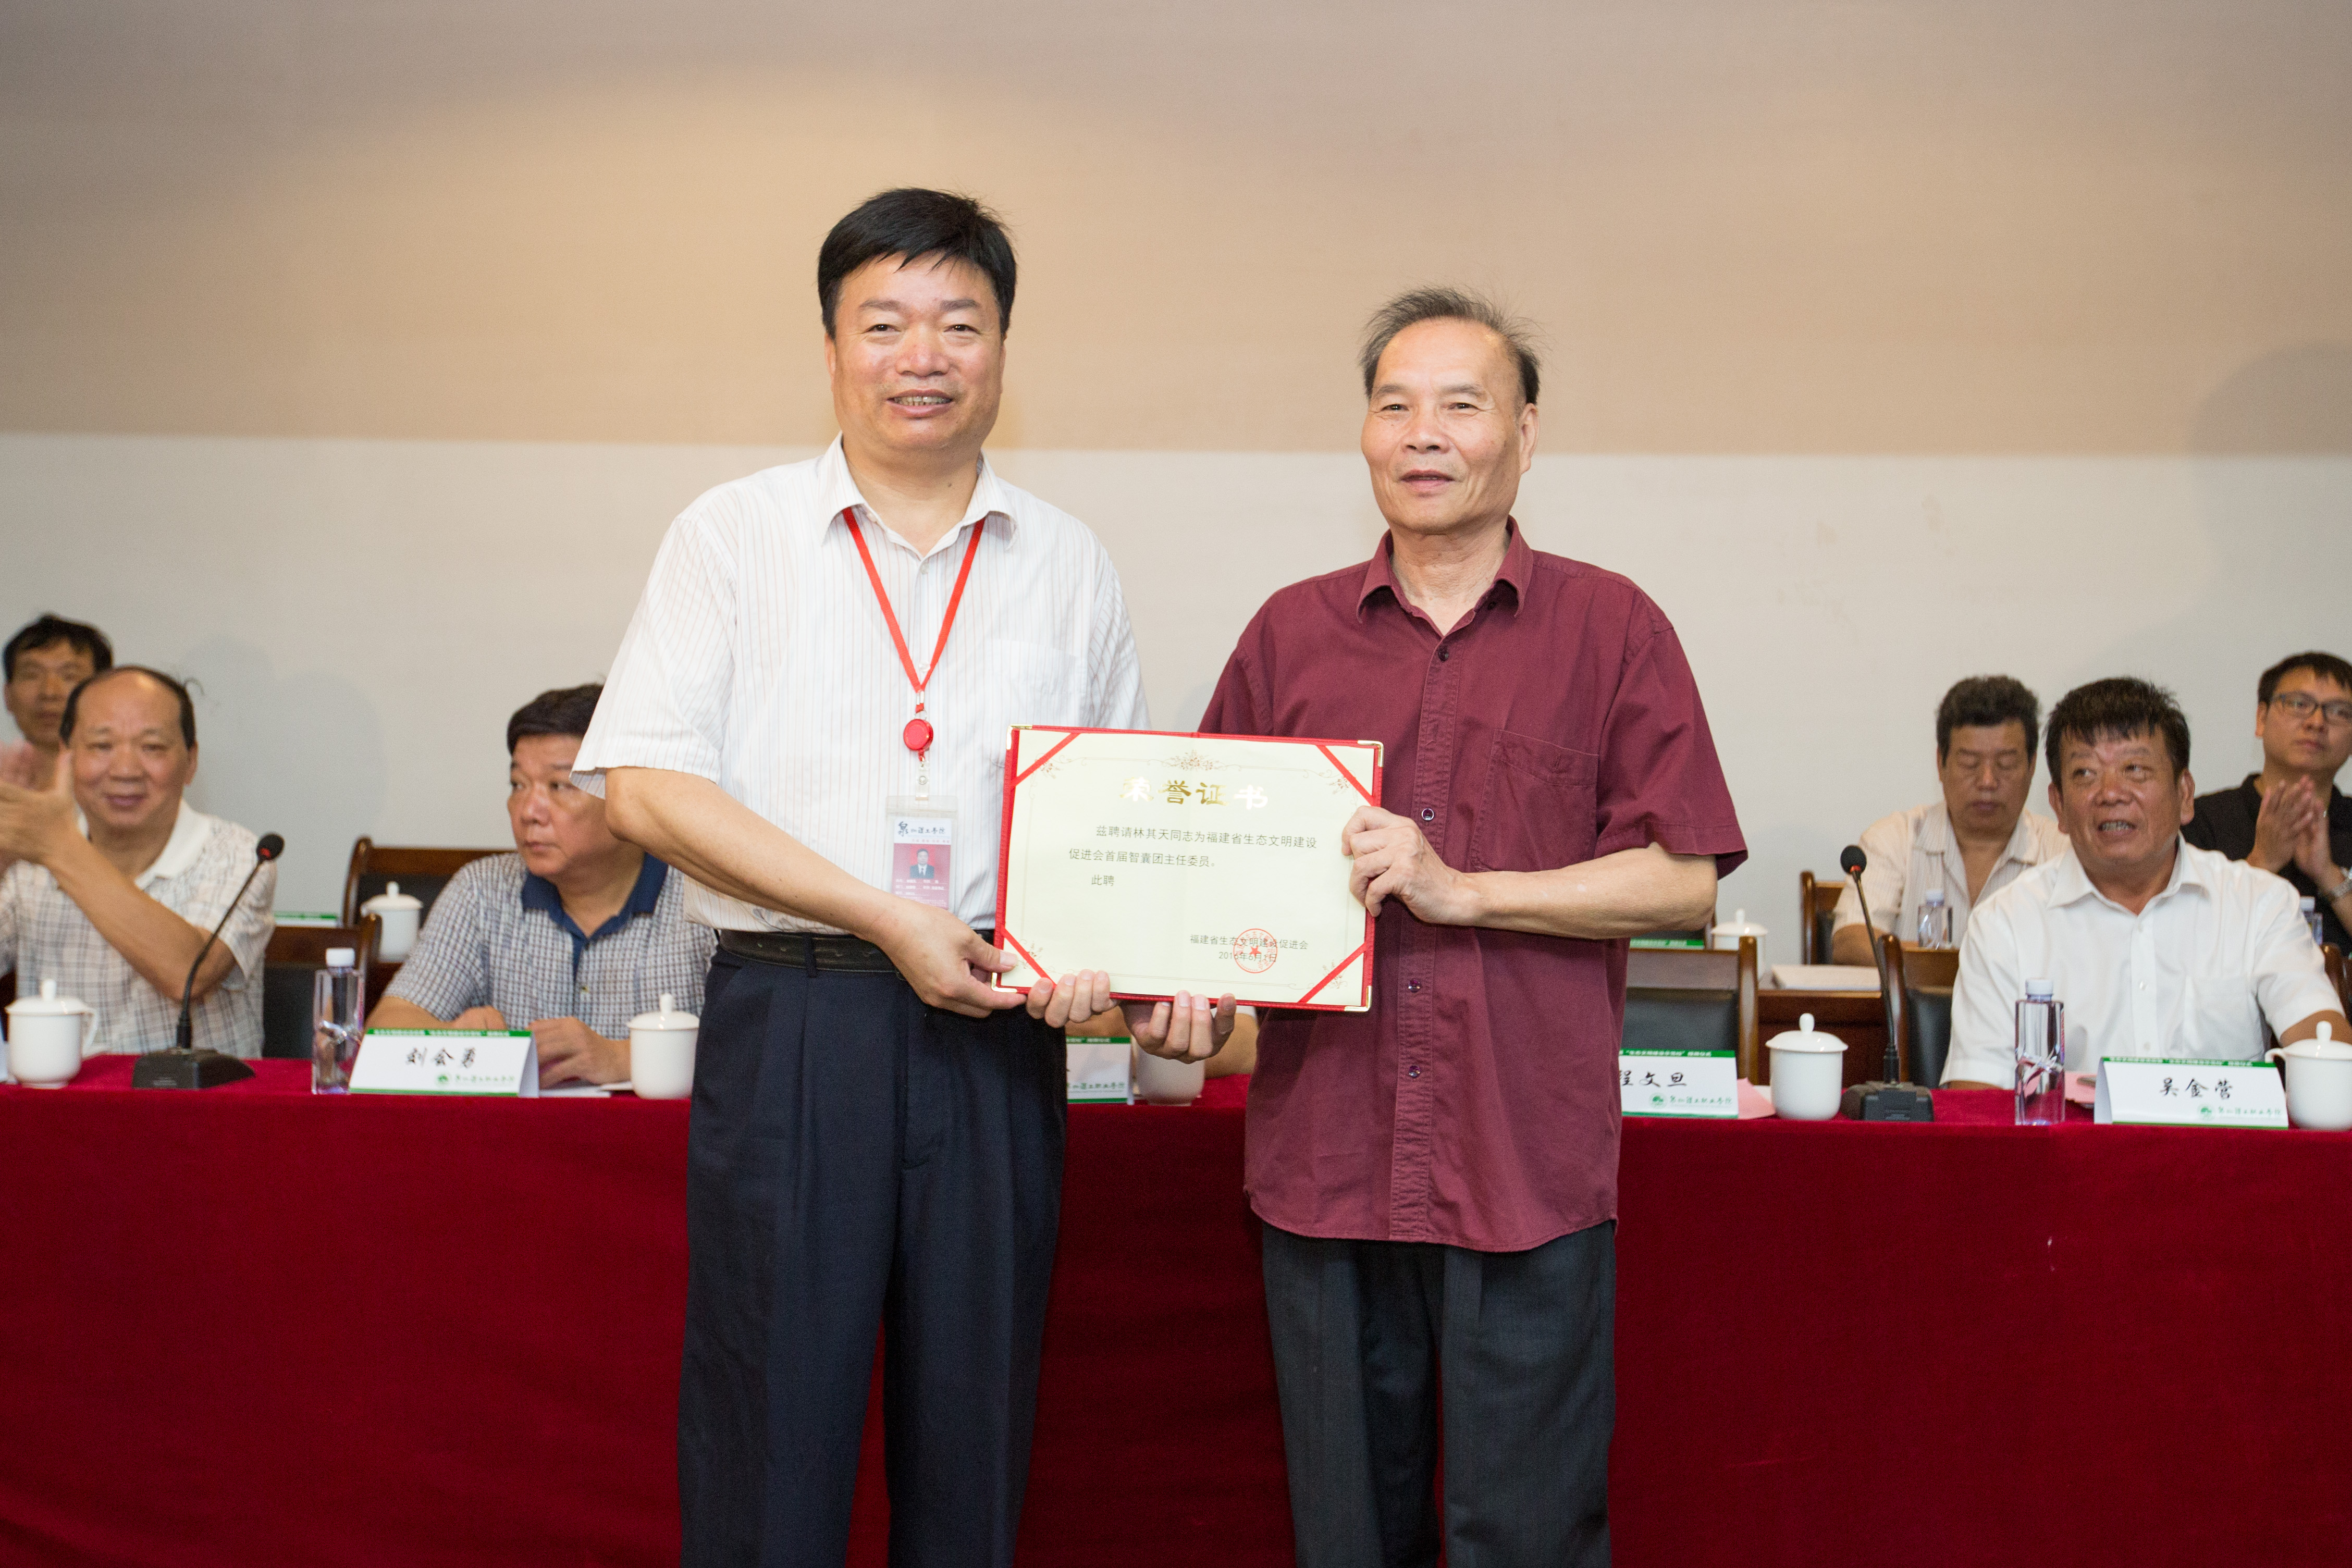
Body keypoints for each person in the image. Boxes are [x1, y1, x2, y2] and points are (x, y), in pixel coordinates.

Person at [570, 189, 1152, 1567]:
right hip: (797, 1013)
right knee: (770, 1417)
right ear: (831, 346)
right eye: (884, 324)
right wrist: (888, 916)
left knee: (976, 1424)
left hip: (997, 1030)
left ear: (1003, 347)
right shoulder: (734, 533)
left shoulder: (1069, 562)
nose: (922, 357)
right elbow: (643, 786)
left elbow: (1112, 828)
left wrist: (1123, 968)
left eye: (961, 324)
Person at [1174, 287, 1745, 1568]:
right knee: (1343, 1537)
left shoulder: (1613, 629)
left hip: (1523, 1163)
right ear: (1364, 434)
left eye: (1460, 406)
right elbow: (1209, 879)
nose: (1421, 434)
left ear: (1524, 435)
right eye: (1394, 405)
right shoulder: (1288, 634)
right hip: (1326, 1163)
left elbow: (1681, 879)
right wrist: (1179, 997)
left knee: (1528, 1535)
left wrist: (1468, 888)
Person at [1944, 678, 2349, 1088]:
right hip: (2071, 1135)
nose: (2110, 793)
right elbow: (1975, 1093)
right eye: (2085, 773)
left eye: (2134, 769)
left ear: (2184, 794)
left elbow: (2322, 1039)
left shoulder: (2258, 902)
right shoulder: (2004, 923)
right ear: (2059, 806)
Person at [366, 685, 716, 1087]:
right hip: (514, 1130)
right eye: (518, 784)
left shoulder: (705, 897)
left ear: (627, 793)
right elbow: (385, 1029)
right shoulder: (482, 891)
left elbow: (754, 1053)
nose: (528, 811)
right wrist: (452, 1037)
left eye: (558, 785)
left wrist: (625, 1058)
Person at [0, 666, 273, 1055]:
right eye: (101, 746)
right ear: (67, 756)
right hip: (57, 1096)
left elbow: (188, 973)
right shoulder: (32, 860)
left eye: (152, 747)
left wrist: (59, 848)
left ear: (191, 761)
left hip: (195, 1096)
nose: (125, 770)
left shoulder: (238, 853)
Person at [1830, 674, 2066, 964]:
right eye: (1969, 763)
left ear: (2032, 767)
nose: (1987, 781)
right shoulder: (1895, 839)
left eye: (2005, 764)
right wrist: (1964, 969)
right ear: (1940, 765)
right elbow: (1851, 941)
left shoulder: (2063, 851)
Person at [2182, 651, 2352, 952]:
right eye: (2299, 704)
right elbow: (2186, 938)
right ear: (2262, 718)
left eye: (2339, 712)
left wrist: (2329, 874)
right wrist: (2263, 860)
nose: (2317, 722)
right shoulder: (2199, 819)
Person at [2, 614, 112, 800]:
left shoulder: (129, 787)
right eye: (32, 676)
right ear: (8, 696)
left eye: (69, 676)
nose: (49, 693)